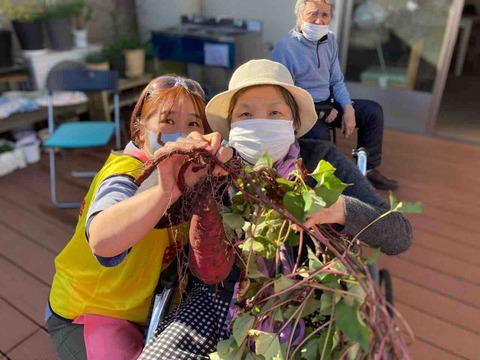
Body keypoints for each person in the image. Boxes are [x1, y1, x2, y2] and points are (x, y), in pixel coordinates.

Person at [140, 59, 412, 360]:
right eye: (246, 114)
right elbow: (154, 218)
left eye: (274, 112)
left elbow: (400, 234)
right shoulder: (214, 162)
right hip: (218, 300)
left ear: (293, 123)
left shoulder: (322, 159)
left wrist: (340, 209)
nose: (261, 122)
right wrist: (179, 171)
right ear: (231, 126)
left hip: (309, 298)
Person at [46, 75, 232, 360]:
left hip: (151, 307)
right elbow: (102, 239)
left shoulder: (195, 173)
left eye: (193, 123)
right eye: (168, 121)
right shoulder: (125, 172)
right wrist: (165, 190)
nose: (182, 132)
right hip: (93, 311)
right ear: (140, 132)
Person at [270, 0, 399, 191]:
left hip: (329, 104)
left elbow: (336, 81)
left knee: (372, 112)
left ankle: (369, 170)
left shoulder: (329, 40)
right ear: (299, 15)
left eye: (325, 15)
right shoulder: (285, 47)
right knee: (319, 133)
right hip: (303, 110)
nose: (320, 21)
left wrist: (347, 109)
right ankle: (323, 183)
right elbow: (283, 94)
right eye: (313, 14)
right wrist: (319, 111)